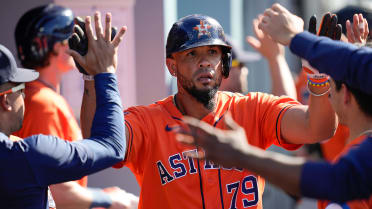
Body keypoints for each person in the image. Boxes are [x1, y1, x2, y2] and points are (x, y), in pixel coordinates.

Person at [77, 13, 337, 209]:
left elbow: (318, 128)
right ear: (172, 66)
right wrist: (93, 78)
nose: (204, 62)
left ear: (223, 62)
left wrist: (320, 77)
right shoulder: (147, 121)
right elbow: (100, 144)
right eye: (191, 54)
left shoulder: (253, 109)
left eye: (212, 52)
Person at [175, 3, 372, 204]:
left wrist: (292, 44)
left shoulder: (253, 105)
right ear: (172, 66)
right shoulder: (156, 118)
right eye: (236, 64)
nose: (243, 70)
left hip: (318, 183)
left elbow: (320, 137)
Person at [0, 11, 129, 208]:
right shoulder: (44, 103)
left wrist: (91, 78)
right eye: (72, 37)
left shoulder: (44, 99)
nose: (23, 93)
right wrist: (111, 200)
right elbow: (60, 192)